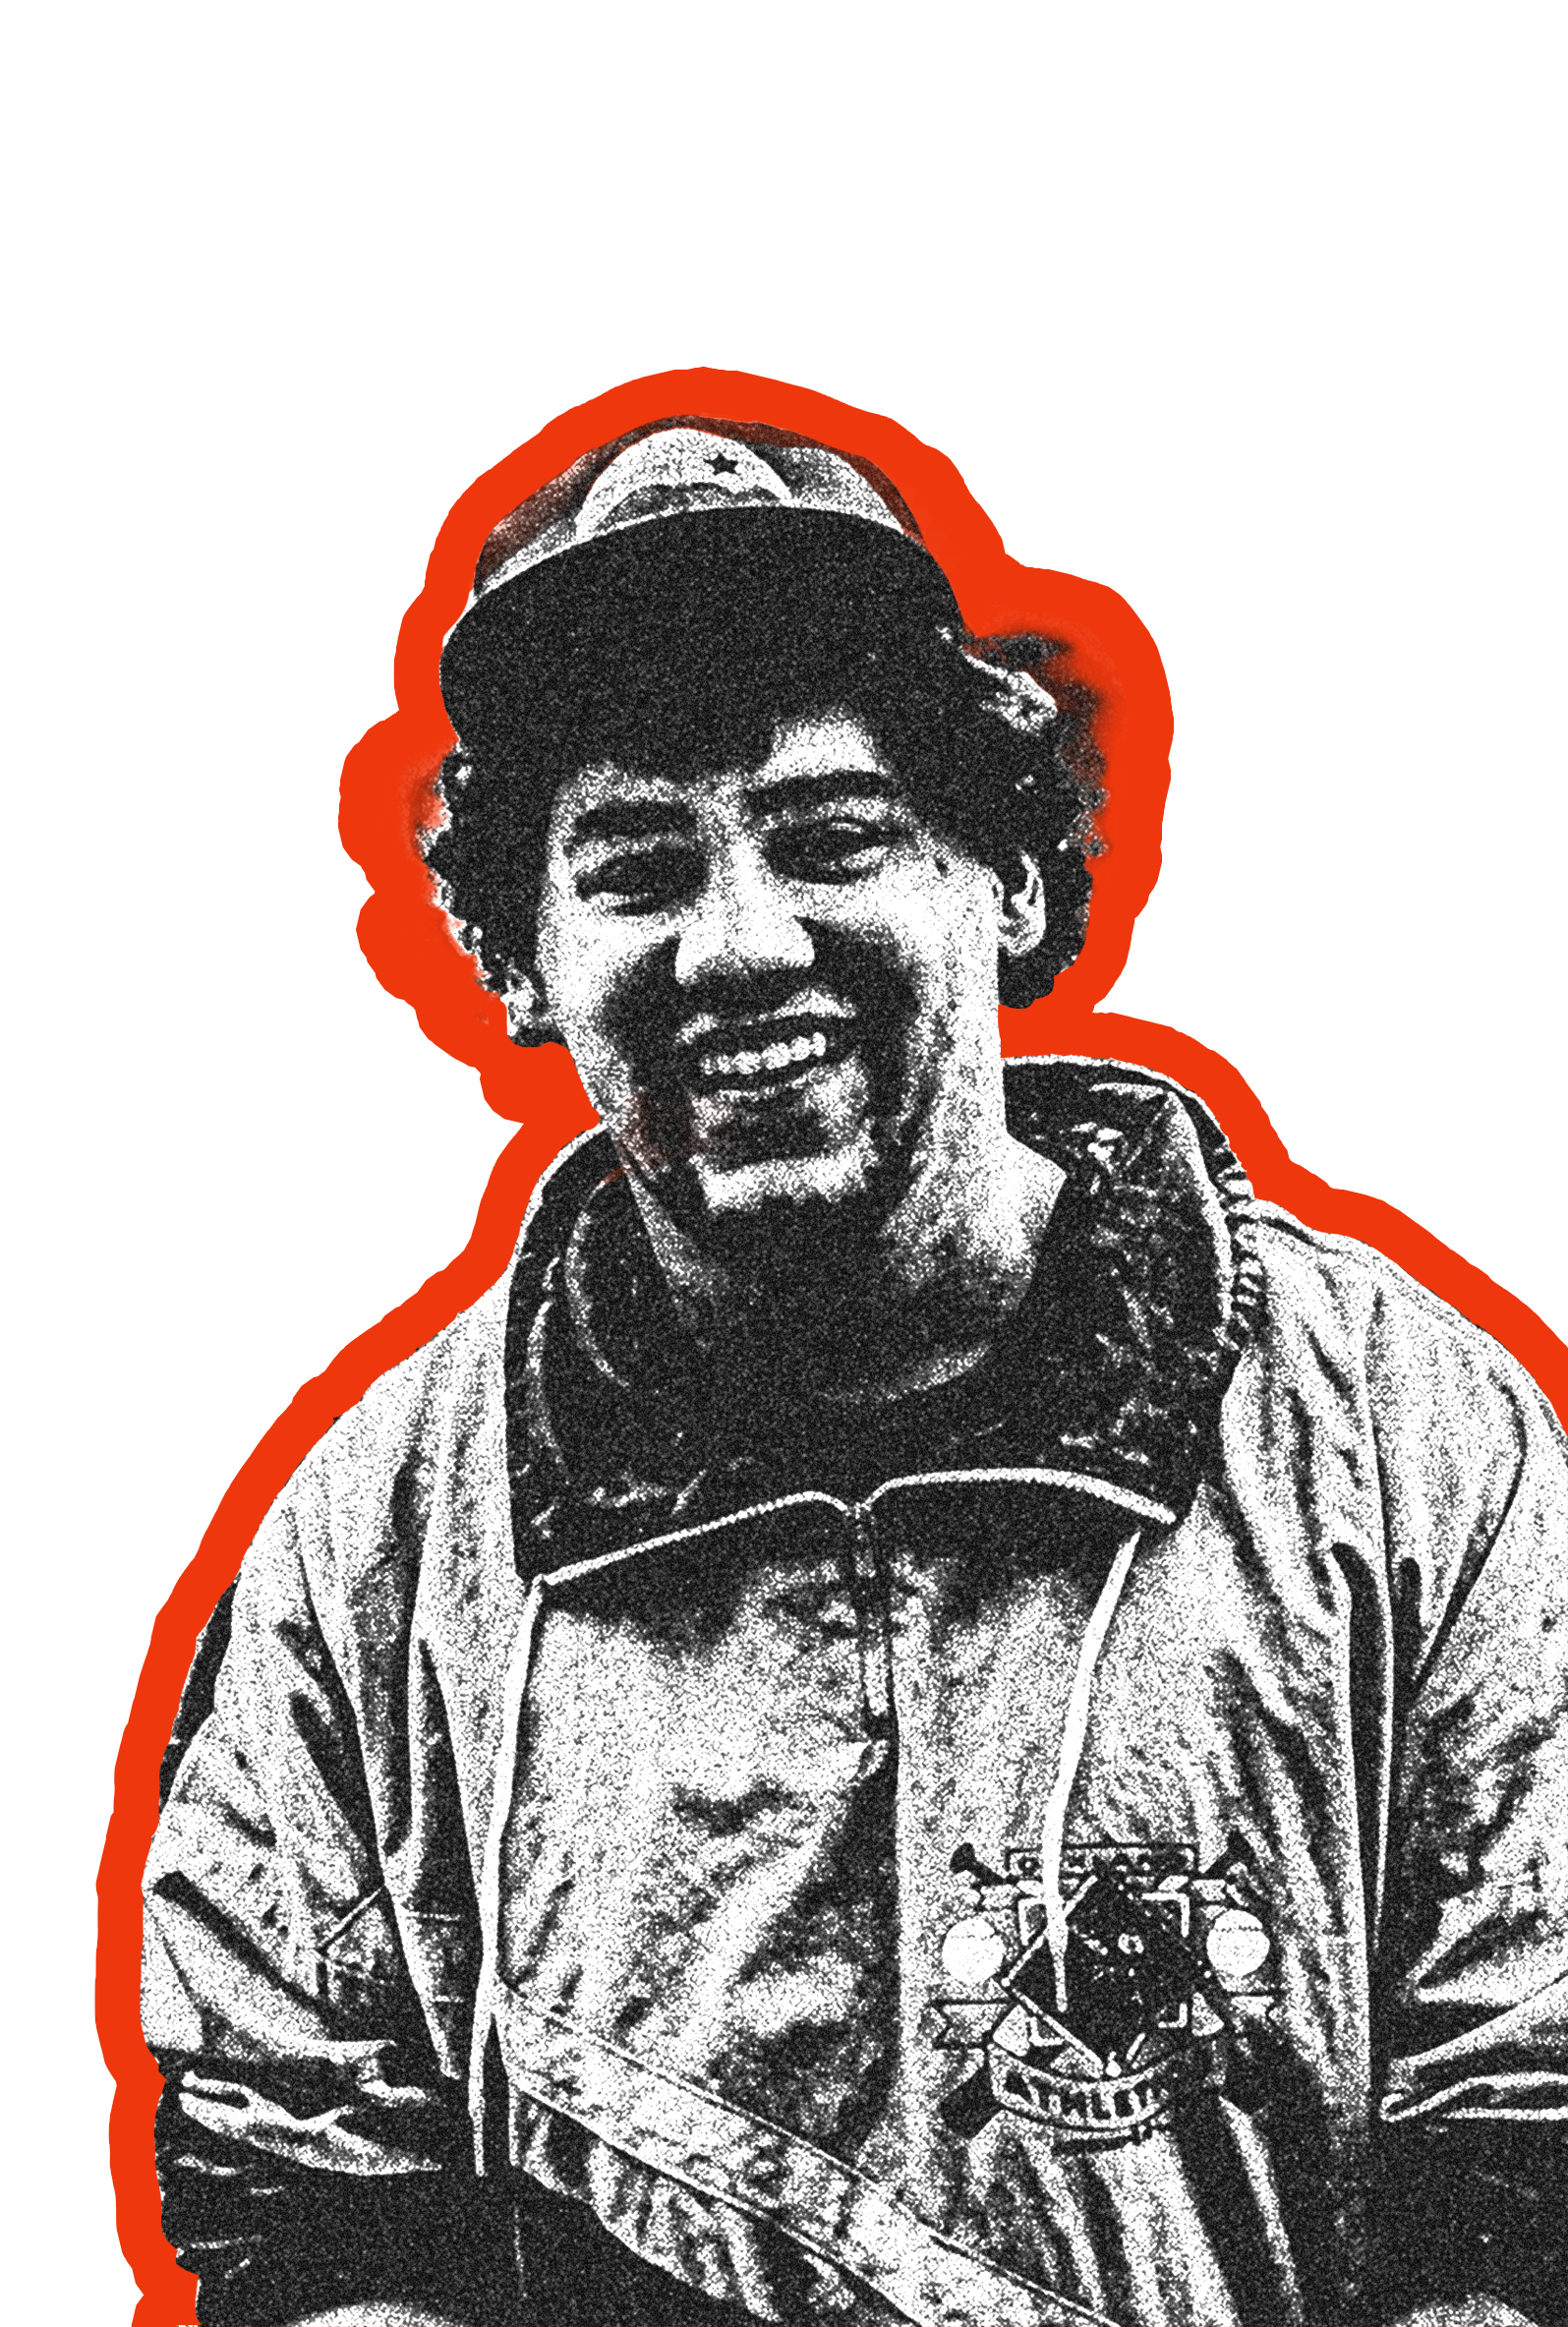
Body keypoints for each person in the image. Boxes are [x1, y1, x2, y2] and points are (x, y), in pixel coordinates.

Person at [143, 418, 1566, 2327]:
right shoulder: (374, 1565)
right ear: (517, 961)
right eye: (637, 868)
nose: (739, 943)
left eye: (831, 838)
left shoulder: (1400, 1447)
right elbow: (308, 2210)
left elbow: (1529, 2147)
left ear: (1009, 881)